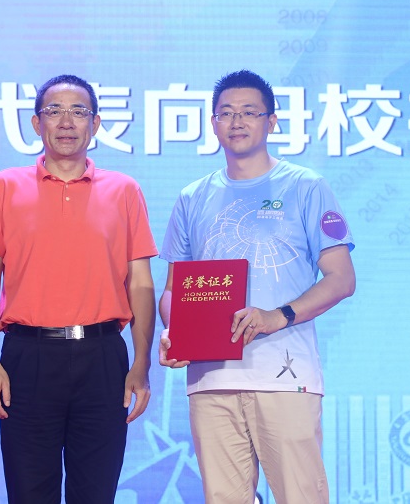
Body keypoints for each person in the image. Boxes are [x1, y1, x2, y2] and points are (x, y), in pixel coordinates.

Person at [158, 70, 355, 504]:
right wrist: (177, 333)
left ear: (272, 121)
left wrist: (276, 317)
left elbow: (341, 278)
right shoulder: (193, 197)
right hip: (211, 379)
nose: (237, 121)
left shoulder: (306, 187)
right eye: (226, 113)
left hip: (285, 375)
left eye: (249, 112)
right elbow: (173, 290)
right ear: (213, 123)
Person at [0, 74, 157, 504]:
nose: (67, 122)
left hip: (103, 357)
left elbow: (141, 282)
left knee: (95, 493)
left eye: (78, 112)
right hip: (28, 356)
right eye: (54, 111)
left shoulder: (125, 191)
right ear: (37, 124)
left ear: (96, 123)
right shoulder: (4, 186)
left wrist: (142, 361)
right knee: (29, 493)